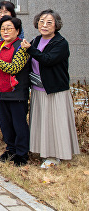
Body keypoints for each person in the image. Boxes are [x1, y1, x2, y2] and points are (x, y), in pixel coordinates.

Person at [21, 9, 79, 168]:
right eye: (41, 21)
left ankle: (55, 156)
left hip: (55, 90)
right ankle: (43, 152)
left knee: (55, 123)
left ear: (56, 25)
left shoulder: (60, 43)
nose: (44, 25)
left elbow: (48, 59)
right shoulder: (36, 40)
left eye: (49, 22)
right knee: (42, 122)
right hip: (38, 89)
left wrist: (30, 50)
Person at [0, 16, 30, 166]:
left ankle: (22, 154)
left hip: (16, 92)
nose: (5, 31)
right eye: (3, 28)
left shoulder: (21, 47)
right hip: (1, 93)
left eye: (9, 28)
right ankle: (11, 149)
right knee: (6, 125)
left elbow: (14, 68)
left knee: (19, 125)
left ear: (17, 30)